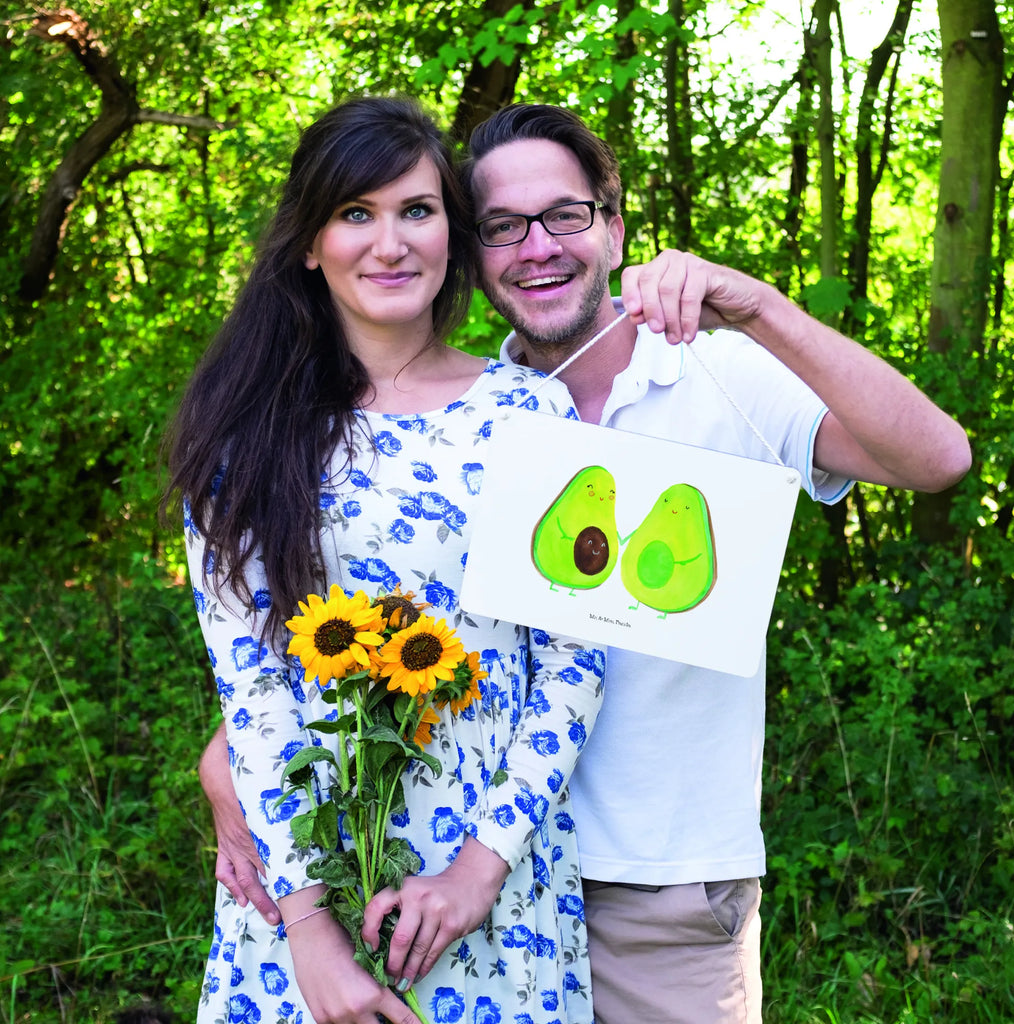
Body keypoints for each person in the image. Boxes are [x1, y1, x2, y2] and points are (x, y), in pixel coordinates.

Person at [202, 102, 972, 1024]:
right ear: (474, 251)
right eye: (502, 226)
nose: (536, 247)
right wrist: (236, 770)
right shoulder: (462, 417)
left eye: (565, 215)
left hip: (652, 888)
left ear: (612, 225)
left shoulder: (711, 373)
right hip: (420, 876)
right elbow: (329, 634)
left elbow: (938, 461)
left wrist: (760, 306)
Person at [166, 97, 608, 1024]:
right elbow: (252, 692)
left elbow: (575, 661)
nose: (390, 242)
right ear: (309, 244)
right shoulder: (243, 438)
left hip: (492, 889)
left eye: (416, 210)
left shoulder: (532, 415)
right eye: (355, 214)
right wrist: (312, 937)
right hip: (303, 888)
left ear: (452, 229)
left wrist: (478, 872)